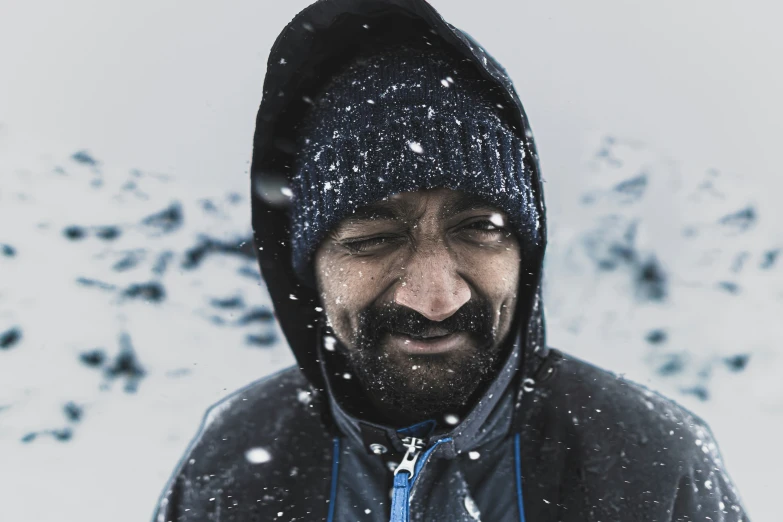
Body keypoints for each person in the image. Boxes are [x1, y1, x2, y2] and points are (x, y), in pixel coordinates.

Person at [153, 1, 748, 521]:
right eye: (372, 239)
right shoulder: (237, 462)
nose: (437, 296)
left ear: (526, 251)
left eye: (479, 229)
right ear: (307, 269)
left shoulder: (647, 462)